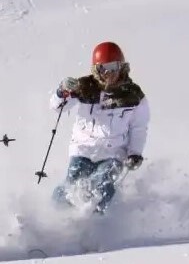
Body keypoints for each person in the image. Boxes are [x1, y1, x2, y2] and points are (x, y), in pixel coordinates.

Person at [51, 41, 150, 214]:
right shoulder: (84, 87)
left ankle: (94, 223)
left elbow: (138, 127)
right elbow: (58, 107)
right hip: (83, 149)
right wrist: (62, 91)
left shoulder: (133, 95)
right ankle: (56, 215)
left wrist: (135, 153)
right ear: (97, 69)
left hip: (113, 153)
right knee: (72, 184)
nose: (110, 73)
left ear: (121, 66)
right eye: (105, 68)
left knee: (103, 184)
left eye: (114, 66)